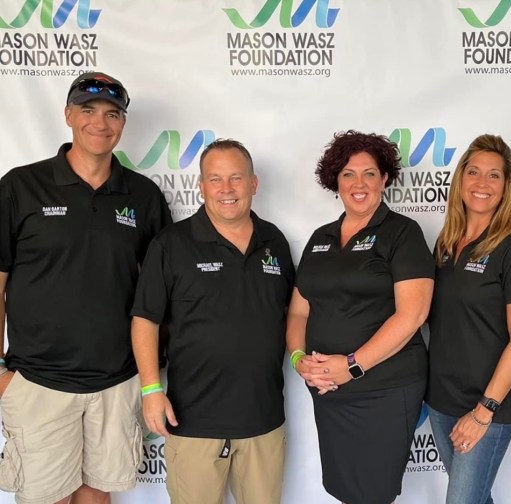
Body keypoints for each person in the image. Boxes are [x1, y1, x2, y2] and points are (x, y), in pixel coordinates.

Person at [0, 72, 171, 504]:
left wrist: (152, 374)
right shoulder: (20, 186)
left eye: (113, 114)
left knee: (97, 495)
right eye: (88, 110)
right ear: (68, 116)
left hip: (116, 381)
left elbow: (159, 294)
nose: (100, 122)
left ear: (123, 123)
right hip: (38, 381)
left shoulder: (143, 196)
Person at [130, 139, 293, 504]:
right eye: (215, 179)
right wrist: (151, 390)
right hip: (193, 421)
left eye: (236, 178)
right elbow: (145, 320)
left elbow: (293, 314)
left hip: (263, 420)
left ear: (253, 183)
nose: (226, 189)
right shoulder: (171, 244)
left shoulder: (275, 242)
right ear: (201, 187)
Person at [286, 130, 434, 504]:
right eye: (348, 174)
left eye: (369, 174)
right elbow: (300, 309)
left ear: (384, 179)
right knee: (344, 488)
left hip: (383, 390)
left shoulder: (402, 233)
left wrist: (351, 367)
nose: (359, 184)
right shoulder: (320, 238)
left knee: (373, 492)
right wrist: (299, 359)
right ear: (335, 180)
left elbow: (413, 314)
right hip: (328, 390)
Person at [425, 134, 511, 504]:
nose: (482, 183)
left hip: (486, 404)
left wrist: (482, 412)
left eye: (494, 175)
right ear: (461, 179)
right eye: (473, 172)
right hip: (440, 400)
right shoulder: (446, 244)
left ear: (507, 186)